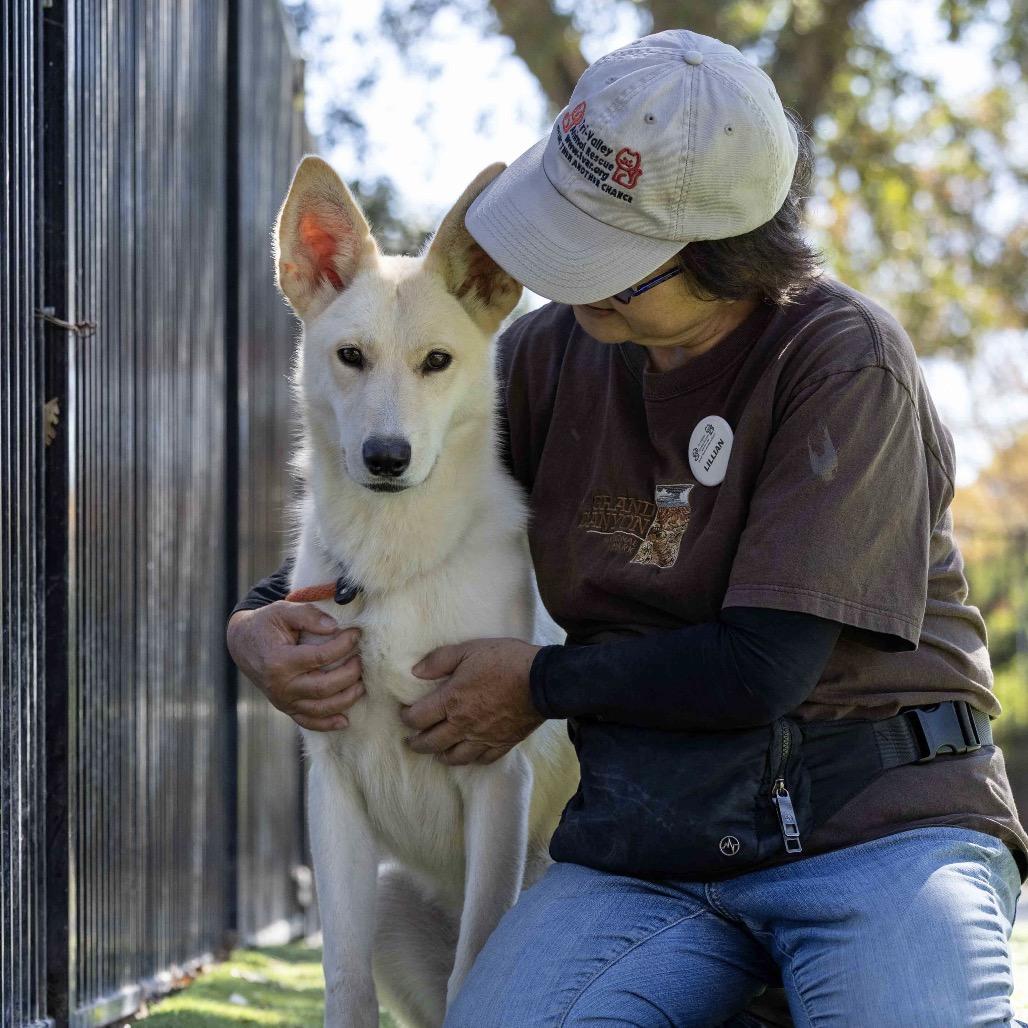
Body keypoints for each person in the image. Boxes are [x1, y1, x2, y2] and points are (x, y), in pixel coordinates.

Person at [226, 28, 1028, 1027]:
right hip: (649, 843)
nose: (559, 268)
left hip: (874, 830)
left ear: (709, 253)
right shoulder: (549, 354)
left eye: (594, 241)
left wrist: (536, 682)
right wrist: (261, 620)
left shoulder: (840, 363)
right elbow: (406, 512)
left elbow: (760, 666)